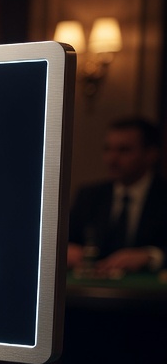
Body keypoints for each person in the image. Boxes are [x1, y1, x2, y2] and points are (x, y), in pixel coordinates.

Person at [66, 117, 167, 275]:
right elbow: (67, 240)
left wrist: (150, 256)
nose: (111, 159)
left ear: (151, 154)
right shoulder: (89, 195)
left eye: (124, 150)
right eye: (108, 149)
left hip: (149, 296)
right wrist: (66, 249)